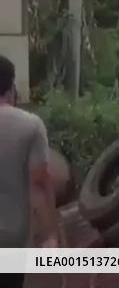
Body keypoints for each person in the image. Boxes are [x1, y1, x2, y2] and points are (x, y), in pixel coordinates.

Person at [0, 55, 60, 288]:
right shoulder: (30, 125)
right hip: (11, 239)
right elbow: (39, 185)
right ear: (11, 86)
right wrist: (50, 236)